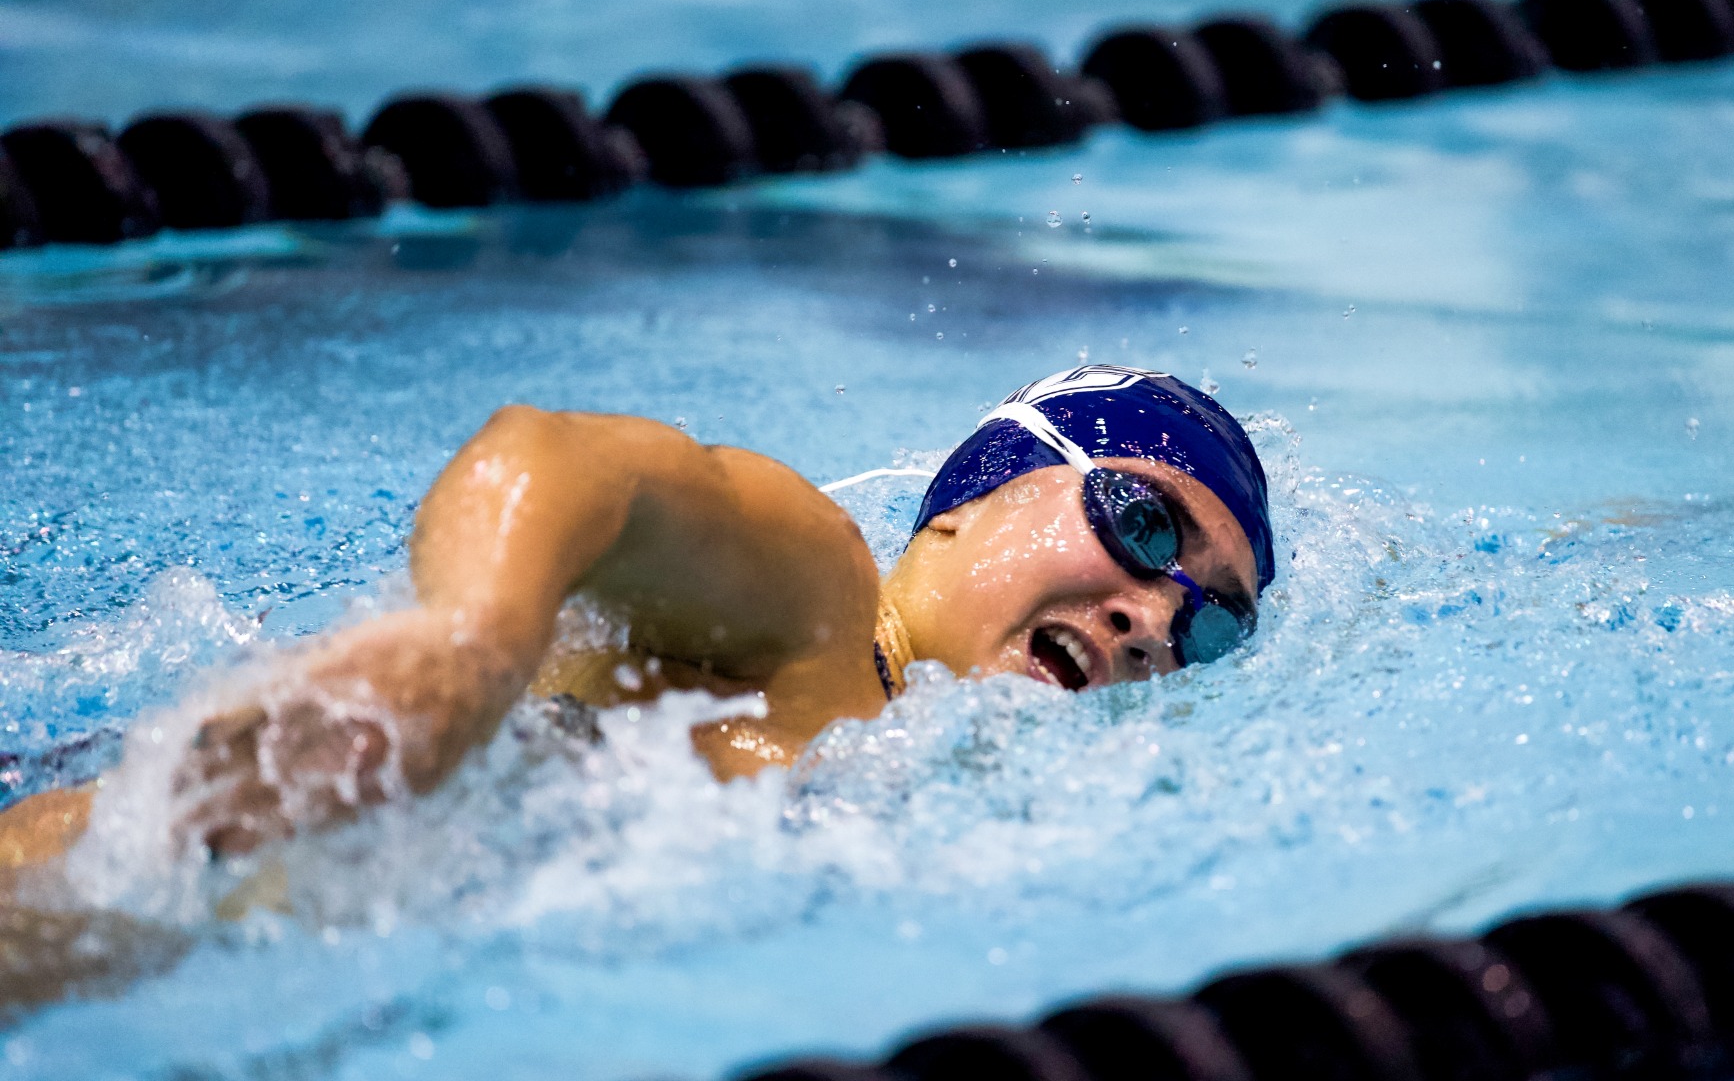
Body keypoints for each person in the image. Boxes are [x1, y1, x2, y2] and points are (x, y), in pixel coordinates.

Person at [0, 364, 1272, 884]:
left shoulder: (917, 774)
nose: (1154, 613)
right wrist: (469, 648)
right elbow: (558, 463)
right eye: (1142, 524)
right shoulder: (817, 607)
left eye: (1208, 624)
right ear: (972, 496)